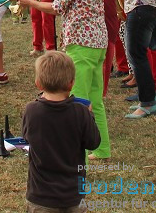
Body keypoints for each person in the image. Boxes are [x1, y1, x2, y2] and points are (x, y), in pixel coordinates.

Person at [12, 0, 109, 159]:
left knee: (78, 102)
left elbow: (57, 7)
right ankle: (102, 149)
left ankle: (80, 155)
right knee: (95, 99)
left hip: (81, 40)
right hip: (97, 40)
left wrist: (29, 2)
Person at [21, 51, 101, 213]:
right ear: (71, 84)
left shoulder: (32, 110)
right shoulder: (81, 112)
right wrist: (90, 115)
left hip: (41, 196)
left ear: (38, 83)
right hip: (73, 195)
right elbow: (94, 142)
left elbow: (26, 137)